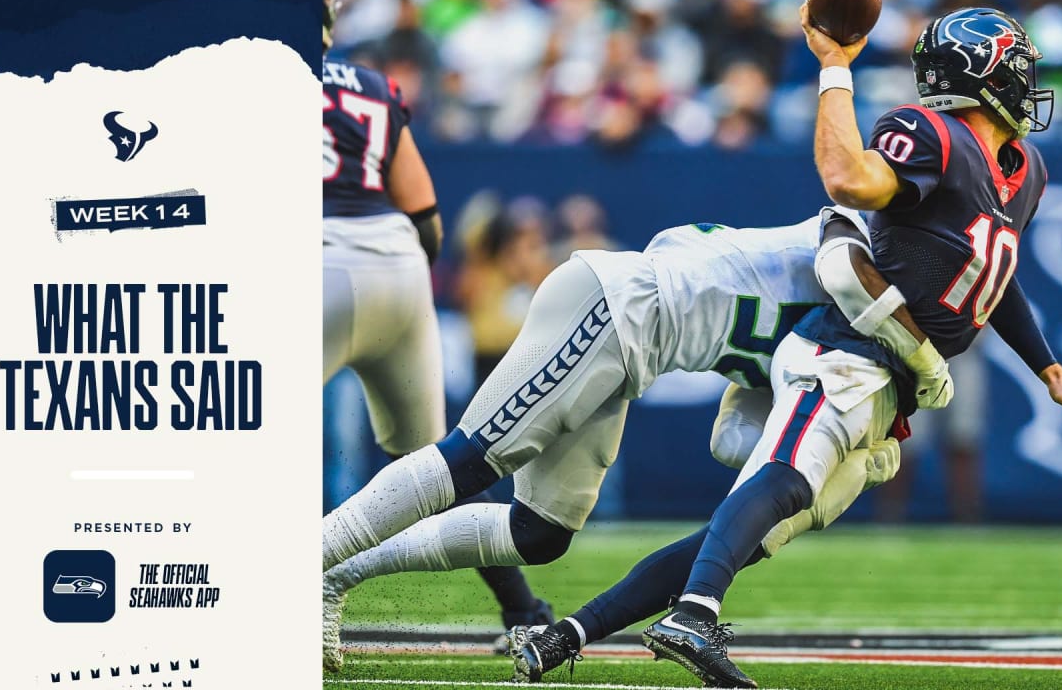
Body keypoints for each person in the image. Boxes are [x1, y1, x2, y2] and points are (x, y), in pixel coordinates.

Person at [511, 7, 1062, 689]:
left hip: (892, 387)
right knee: (783, 482)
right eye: (1016, 69)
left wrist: (1050, 369)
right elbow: (848, 181)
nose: (1026, 83)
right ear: (979, 79)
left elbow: (995, 277)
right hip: (846, 351)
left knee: (743, 538)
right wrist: (836, 68)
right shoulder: (932, 135)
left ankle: (566, 634)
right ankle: (693, 617)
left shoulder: (1026, 169)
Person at [319, 204, 949, 661]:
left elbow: (733, 445)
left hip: (631, 351)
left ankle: (333, 577)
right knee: (472, 460)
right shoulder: (853, 238)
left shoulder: (825, 352)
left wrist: (857, 450)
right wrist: (924, 360)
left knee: (537, 533)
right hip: (616, 307)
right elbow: (844, 262)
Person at [319, 0, 550, 673]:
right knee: (438, 467)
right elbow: (426, 217)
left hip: (312, 257)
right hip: (394, 262)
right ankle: (524, 613)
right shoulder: (369, 83)